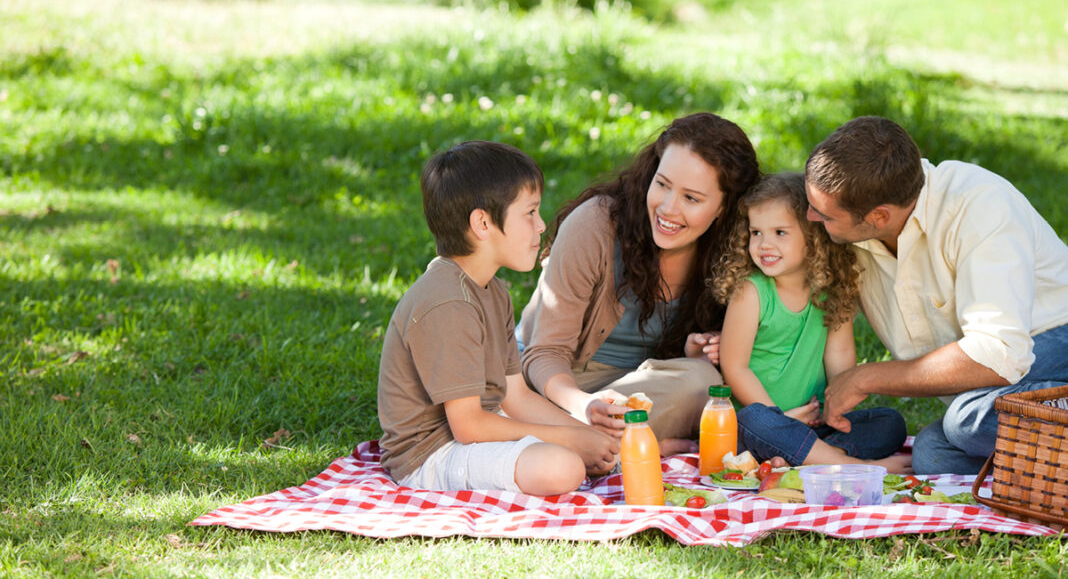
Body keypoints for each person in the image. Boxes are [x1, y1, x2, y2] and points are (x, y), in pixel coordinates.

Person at [804, 116, 1068, 474]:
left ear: (879, 216)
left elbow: (999, 354)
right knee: (934, 455)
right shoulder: (855, 229)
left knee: (967, 420)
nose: (810, 217)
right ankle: (1047, 462)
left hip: (1053, 340)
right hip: (993, 388)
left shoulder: (979, 206)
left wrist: (866, 377)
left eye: (823, 215)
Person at [377, 141, 619, 495]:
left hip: (481, 430)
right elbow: (468, 427)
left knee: (589, 448)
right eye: (530, 213)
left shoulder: (493, 290)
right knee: (563, 465)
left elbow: (515, 396)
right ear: (483, 223)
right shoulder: (448, 304)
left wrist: (583, 434)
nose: (541, 226)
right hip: (430, 454)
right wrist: (570, 439)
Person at [518, 112, 761, 454]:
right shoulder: (595, 226)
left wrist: (700, 350)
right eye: (662, 184)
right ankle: (636, 446)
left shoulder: (737, 253)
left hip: (641, 392)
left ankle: (596, 446)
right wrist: (583, 406)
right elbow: (543, 353)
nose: (667, 208)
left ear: (725, 207)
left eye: (691, 198)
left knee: (702, 382)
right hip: (557, 385)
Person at [713, 173, 910, 472]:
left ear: (813, 236)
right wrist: (779, 417)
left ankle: (811, 457)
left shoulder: (831, 290)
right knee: (753, 420)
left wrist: (837, 410)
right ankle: (857, 467)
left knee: (889, 423)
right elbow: (734, 367)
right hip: (762, 426)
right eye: (756, 232)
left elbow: (839, 356)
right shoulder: (750, 291)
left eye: (780, 232)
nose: (764, 244)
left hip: (813, 424)